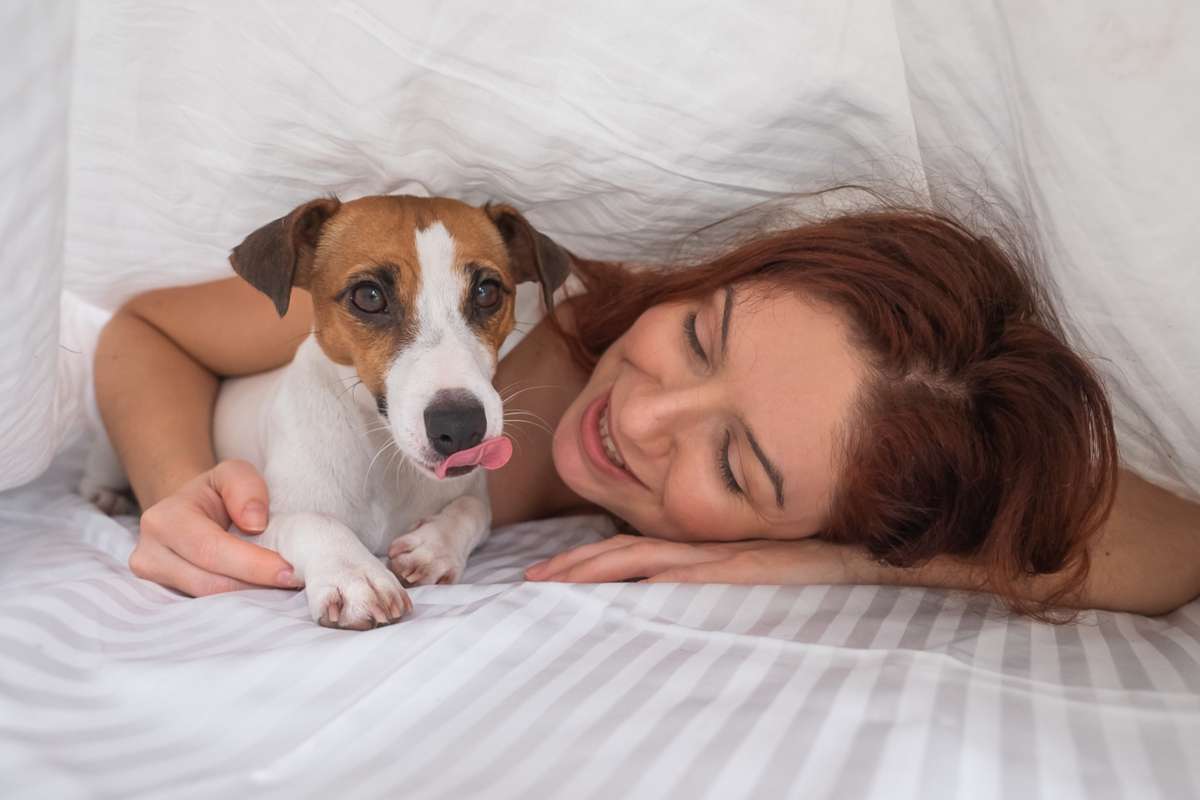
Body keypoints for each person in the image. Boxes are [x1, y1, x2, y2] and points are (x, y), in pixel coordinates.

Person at [94, 202, 1200, 618]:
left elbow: (1173, 543)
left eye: (738, 466)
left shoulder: (830, 522)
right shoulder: (522, 307)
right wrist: (176, 487)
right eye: (702, 334)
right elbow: (146, 331)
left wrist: (836, 562)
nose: (650, 412)